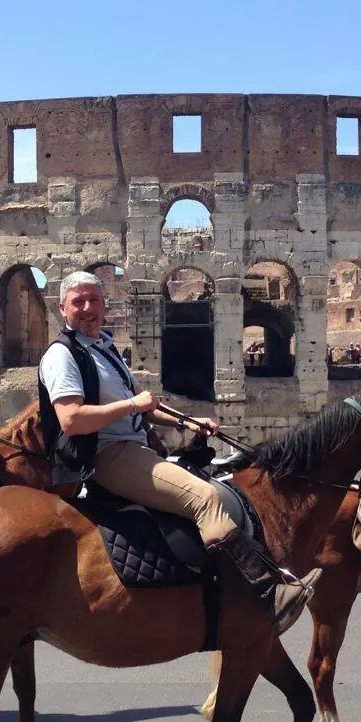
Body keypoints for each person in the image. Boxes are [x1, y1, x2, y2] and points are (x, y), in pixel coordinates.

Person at [38, 271, 321, 633]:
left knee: (221, 484)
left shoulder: (104, 348)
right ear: (63, 309)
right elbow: (72, 420)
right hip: (107, 455)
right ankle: (263, 595)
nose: (88, 308)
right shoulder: (62, 356)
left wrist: (188, 422)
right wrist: (131, 406)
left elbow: (145, 406)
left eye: (94, 299)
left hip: (135, 446)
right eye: (78, 302)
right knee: (206, 498)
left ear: (105, 304)